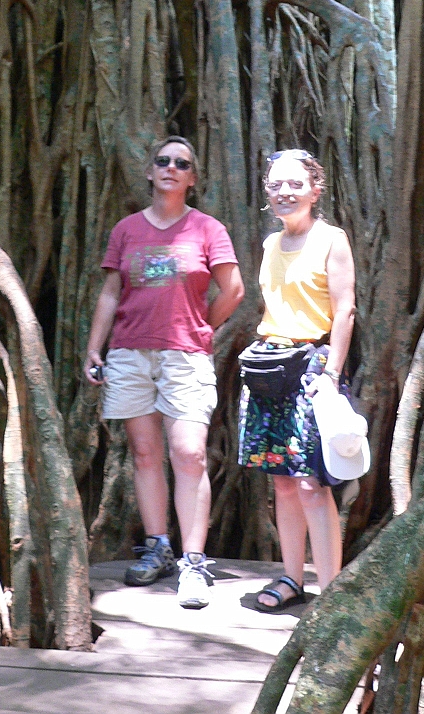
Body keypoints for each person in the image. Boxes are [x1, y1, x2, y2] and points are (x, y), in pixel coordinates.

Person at [84, 136, 244, 609]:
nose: (172, 168)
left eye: (183, 163)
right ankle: (158, 546)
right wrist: (95, 348)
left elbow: (232, 290)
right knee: (145, 451)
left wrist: (200, 328)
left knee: (189, 452)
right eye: (163, 161)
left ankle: (193, 562)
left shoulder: (207, 229)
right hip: (131, 353)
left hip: (184, 357)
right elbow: (112, 291)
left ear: (192, 179)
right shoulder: (128, 230)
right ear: (151, 172)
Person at [238, 149, 356, 611]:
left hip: (311, 366)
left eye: (295, 184)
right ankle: (291, 579)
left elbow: (344, 310)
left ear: (315, 189)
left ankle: (331, 593)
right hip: (270, 367)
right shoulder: (270, 244)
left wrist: (332, 374)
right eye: (276, 185)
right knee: (282, 480)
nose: (284, 192)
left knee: (312, 483)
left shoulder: (332, 239)